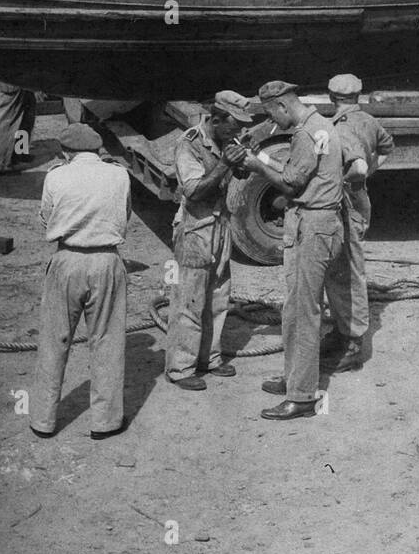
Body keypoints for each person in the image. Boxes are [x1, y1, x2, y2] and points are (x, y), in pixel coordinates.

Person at [29, 122, 132, 439]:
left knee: (53, 341)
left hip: (66, 260)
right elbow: (124, 214)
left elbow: (46, 217)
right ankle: (105, 422)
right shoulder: (119, 174)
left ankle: (42, 421)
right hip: (107, 260)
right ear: (98, 149)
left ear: (66, 152)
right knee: (107, 341)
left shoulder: (56, 176)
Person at [255, 81, 344, 421]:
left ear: (281, 106)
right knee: (296, 306)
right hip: (317, 221)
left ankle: (303, 395)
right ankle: (296, 378)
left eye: (272, 114)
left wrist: (257, 166)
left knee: (303, 310)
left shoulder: (306, 134)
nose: (274, 122)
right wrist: (261, 157)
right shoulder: (321, 126)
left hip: (312, 225)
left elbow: (291, 182)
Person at [163, 90, 258, 391]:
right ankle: (181, 368)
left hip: (221, 225)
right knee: (189, 299)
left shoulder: (226, 140)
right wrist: (224, 165)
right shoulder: (188, 144)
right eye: (235, 124)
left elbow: (239, 176)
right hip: (195, 228)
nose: (239, 131)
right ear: (215, 119)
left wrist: (243, 160)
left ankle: (210, 357)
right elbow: (193, 192)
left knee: (218, 295)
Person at [323, 74, 394, 373]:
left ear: (330, 97)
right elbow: (387, 148)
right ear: (359, 95)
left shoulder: (340, 126)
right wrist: (368, 176)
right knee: (339, 270)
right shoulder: (368, 120)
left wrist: (345, 180)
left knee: (347, 273)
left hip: (346, 202)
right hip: (358, 198)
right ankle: (342, 332)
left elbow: (359, 166)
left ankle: (353, 345)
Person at [0, 83, 37, 176]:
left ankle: (19, 153)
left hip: (26, 80)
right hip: (15, 79)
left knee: (27, 116)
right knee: (8, 120)